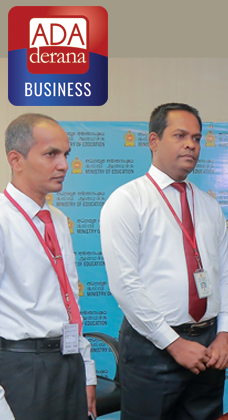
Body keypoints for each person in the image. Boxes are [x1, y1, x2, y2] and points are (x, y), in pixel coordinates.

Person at [100, 103, 228, 419]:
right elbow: (125, 285)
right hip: (153, 347)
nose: (191, 144)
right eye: (180, 136)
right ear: (154, 140)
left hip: (209, 347)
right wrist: (174, 344)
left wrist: (225, 334)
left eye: (196, 138)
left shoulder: (209, 206)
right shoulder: (127, 201)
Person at [0, 113, 96, 419]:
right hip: (22, 370)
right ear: (16, 160)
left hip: (67, 363)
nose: (64, 165)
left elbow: (70, 302)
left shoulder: (56, 219)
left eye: (66, 154)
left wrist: (87, 371)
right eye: (51, 154)